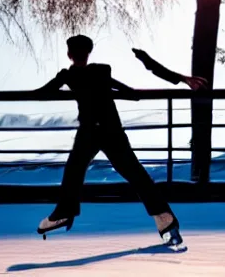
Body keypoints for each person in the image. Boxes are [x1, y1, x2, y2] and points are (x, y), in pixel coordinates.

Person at [35, 35, 182, 246]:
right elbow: (119, 87)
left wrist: (61, 81)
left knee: (75, 170)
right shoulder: (102, 70)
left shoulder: (70, 75)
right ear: (88, 53)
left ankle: (65, 213)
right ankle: (164, 219)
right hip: (111, 129)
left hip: (89, 132)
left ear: (69, 55)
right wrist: (129, 93)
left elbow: (44, 92)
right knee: (134, 173)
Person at [132, 48, 208, 90]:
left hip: (161, 71)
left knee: (159, 70)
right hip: (160, 70)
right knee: (159, 70)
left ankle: (196, 83)